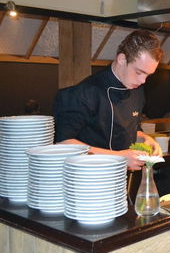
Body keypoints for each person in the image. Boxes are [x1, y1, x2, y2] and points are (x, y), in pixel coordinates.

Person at [53, 30, 163, 171]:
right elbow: (64, 143)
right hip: (86, 179)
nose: (143, 81)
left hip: (119, 181)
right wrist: (118, 158)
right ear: (122, 59)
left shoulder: (137, 91)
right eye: (139, 72)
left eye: (148, 75)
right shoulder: (84, 92)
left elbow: (129, 130)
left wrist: (145, 139)